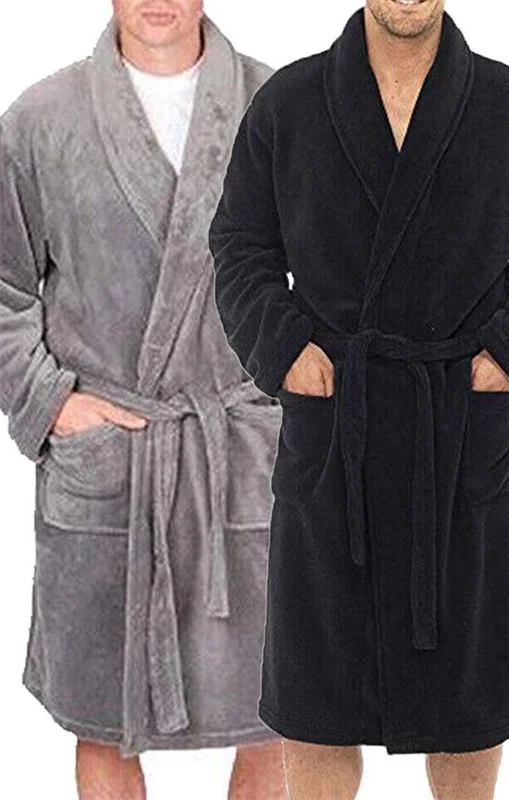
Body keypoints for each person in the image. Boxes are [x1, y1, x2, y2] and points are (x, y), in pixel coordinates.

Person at [208, 0, 509, 797]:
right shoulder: (290, 104)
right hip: (337, 433)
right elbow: (240, 244)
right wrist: (284, 349)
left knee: (469, 698)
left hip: (461, 433)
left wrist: (508, 357)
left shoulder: (508, 106)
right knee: (318, 700)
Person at [0, 2, 287, 797]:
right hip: (111, 463)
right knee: (103, 718)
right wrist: (50, 402)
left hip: (240, 459)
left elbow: (341, 277)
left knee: (272, 716)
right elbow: (4, 286)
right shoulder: (41, 119)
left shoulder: (279, 106)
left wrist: (295, 407)